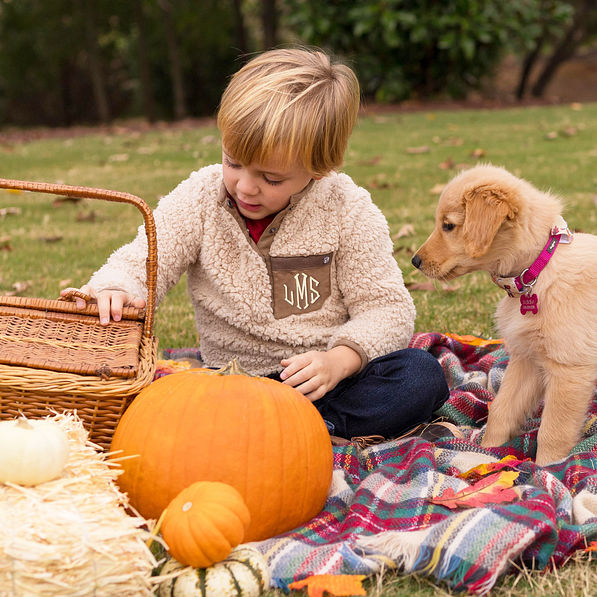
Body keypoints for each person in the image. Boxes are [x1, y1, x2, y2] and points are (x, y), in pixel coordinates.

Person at [63, 47, 450, 442]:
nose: (246, 186)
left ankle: (298, 432)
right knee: (159, 399)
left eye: (272, 178)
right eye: (233, 163)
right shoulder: (200, 198)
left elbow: (387, 308)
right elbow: (142, 261)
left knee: (421, 375)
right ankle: (284, 433)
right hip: (231, 383)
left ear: (318, 168)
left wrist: (339, 360)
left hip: (320, 385)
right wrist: (117, 287)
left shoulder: (347, 208)